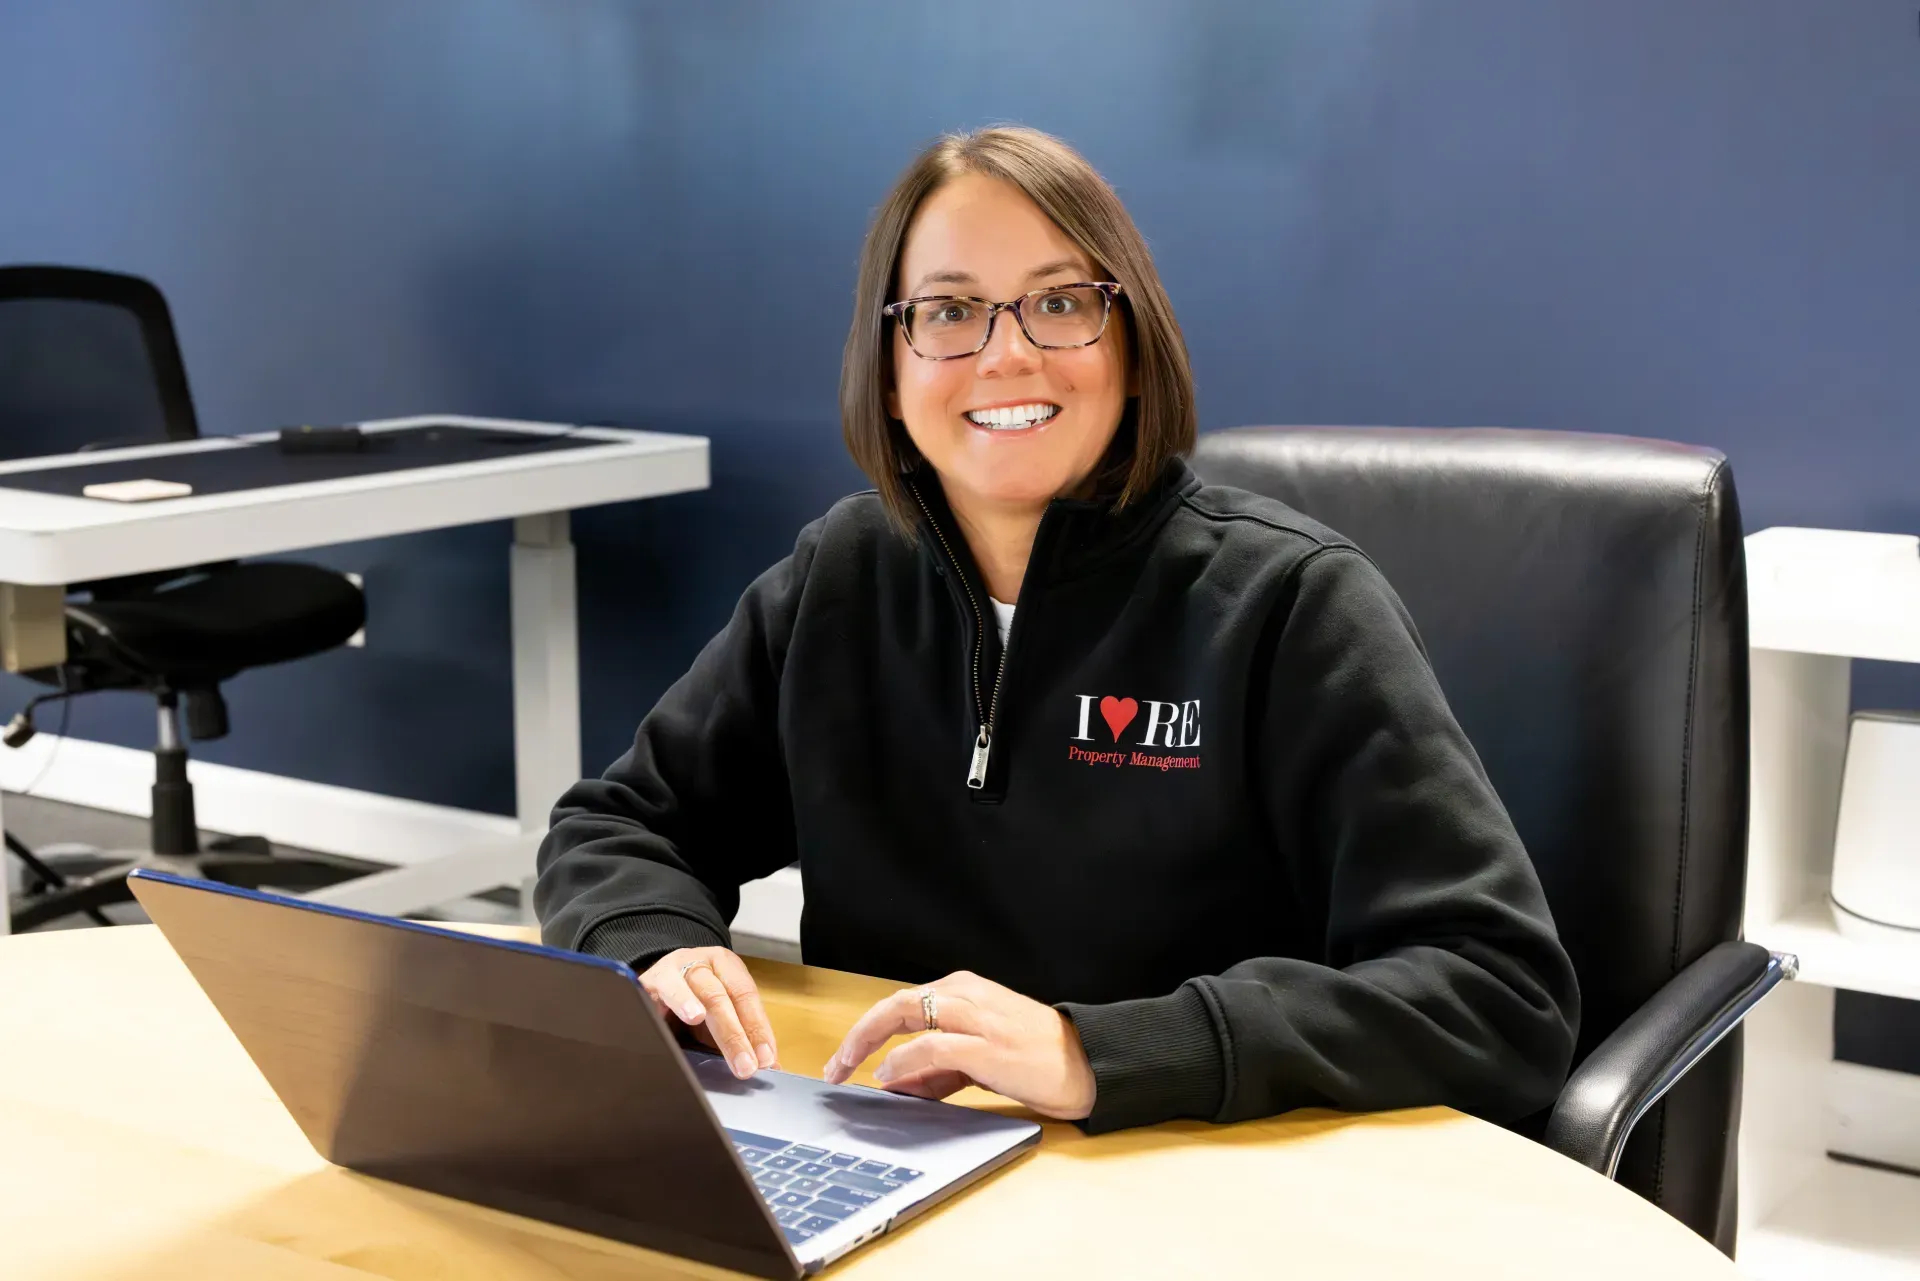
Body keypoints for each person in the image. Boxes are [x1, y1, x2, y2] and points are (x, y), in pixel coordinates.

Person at [535, 126, 1579, 1134]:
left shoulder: (1291, 603)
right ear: (891, 372)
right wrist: (653, 945)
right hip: (899, 1152)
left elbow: (1497, 989)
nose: (1006, 355)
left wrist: (1102, 1055)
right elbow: (619, 824)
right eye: (949, 312)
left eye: (1061, 302)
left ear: (1131, 347)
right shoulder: (840, 577)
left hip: (1196, 1177)